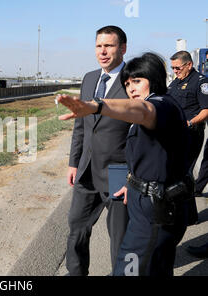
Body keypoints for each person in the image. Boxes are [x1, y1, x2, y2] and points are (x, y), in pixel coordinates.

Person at [57, 52, 198, 276]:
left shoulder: (160, 105)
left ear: (154, 79)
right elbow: (149, 155)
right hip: (148, 200)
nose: (131, 88)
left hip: (155, 211)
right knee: (157, 268)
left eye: (138, 81)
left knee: (129, 270)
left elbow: (142, 112)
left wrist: (97, 106)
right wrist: (132, 182)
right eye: (128, 83)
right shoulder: (154, 103)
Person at [64, 25, 130, 276]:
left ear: (123, 48)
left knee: (119, 237)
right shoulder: (90, 78)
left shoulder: (133, 80)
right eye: (99, 46)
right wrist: (73, 162)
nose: (103, 52)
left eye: (109, 46)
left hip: (118, 171)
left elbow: (143, 132)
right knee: (76, 228)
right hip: (86, 170)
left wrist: (132, 173)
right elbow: (80, 125)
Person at [167, 51, 208, 184]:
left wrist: (189, 123)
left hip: (190, 134)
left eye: (177, 68)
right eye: (172, 68)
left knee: (184, 174)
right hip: (173, 133)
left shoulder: (200, 82)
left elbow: (206, 110)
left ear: (189, 65)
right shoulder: (175, 82)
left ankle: (186, 202)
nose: (175, 71)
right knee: (172, 171)